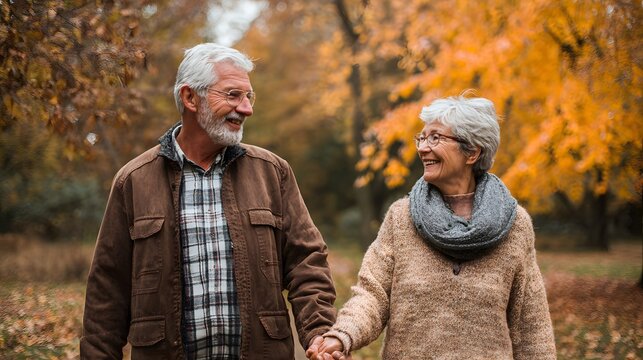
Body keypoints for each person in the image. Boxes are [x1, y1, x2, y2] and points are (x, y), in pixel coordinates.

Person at [81, 43, 337, 359]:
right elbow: (107, 292)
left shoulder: (272, 172)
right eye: (232, 95)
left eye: (248, 97)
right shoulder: (134, 180)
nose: (246, 108)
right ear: (190, 97)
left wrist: (320, 334)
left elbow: (306, 263)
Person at [307, 93, 556, 360]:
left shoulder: (515, 225)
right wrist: (342, 335)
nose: (423, 148)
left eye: (435, 138)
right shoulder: (401, 218)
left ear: (472, 152)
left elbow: (531, 327)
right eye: (422, 138)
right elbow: (372, 296)